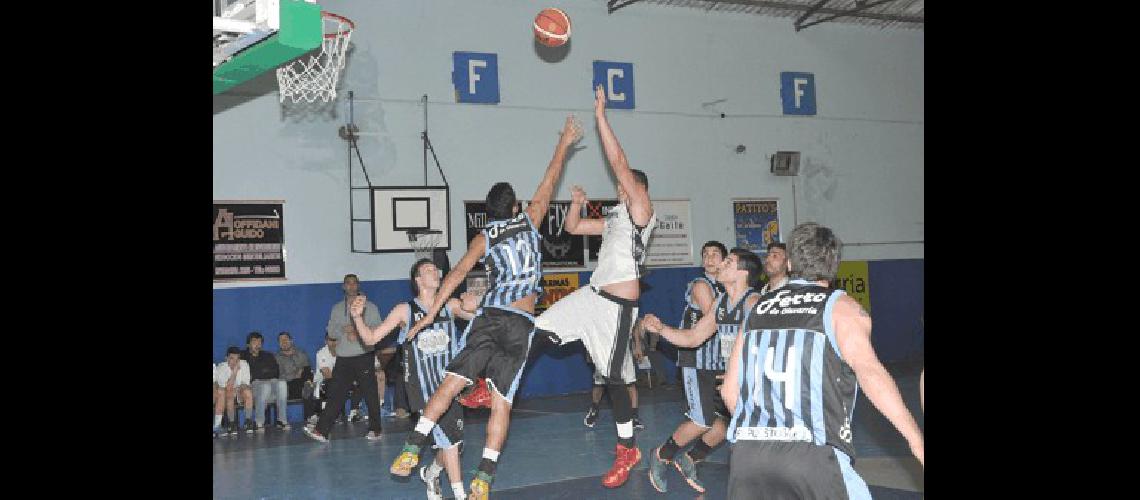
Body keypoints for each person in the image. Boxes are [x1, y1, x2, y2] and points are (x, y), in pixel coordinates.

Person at [387, 115, 582, 500]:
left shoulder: (486, 236)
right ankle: (484, 476)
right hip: (523, 323)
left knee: (452, 382)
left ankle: (413, 445)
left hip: (491, 318)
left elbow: (457, 273)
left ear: (489, 212)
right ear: (516, 206)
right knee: (502, 401)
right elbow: (551, 176)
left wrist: (429, 313)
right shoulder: (531, 219)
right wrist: (565, 142)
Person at [721, 223, 924, 498]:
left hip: (747, 458)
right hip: (810, 455)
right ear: (834, 265)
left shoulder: (757, 309)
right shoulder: (841, 307)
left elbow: (730, 391)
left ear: (790, 262)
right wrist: (915, 440)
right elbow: (870, 373)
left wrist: (765, 434)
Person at [533, 85, 655, 489]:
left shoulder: (641, 212)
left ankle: (626, 449)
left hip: (616, 308)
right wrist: (576, 203)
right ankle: (494, 383)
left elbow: (620, 164)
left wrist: (601, 116)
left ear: (637, 191)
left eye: (625, 187)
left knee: (614, 378)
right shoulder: (616, 218)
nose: (620, 189)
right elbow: (572, 228)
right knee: (539, 330)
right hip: (591, 296)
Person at [349, 259, 479, 499]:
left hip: (451, 385)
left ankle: (431, 472)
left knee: (454, 446)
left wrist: (476, 303)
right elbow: (370, 339)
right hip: (423, 387)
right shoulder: (405, 310)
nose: (436, 272)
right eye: (429, 270)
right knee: (449, 443)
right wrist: (357, 318)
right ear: (418, 280)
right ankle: (461, 494)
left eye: (436, 269)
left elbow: (481, 318)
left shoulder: (449, 305)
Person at [641, 248, 763, 493]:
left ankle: (689, 458)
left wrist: (742, 375)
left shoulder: (752, 302)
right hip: (726, 377)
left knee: (742, 436)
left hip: (752, 383)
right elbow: (694, 337)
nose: (720, 265)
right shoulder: (721, 302)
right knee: (724, 428)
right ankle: (672, 456)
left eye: (727, 261)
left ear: (742, 272)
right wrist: (661, 329)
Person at [309, 274, 385, 440]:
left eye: (354, 283)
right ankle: (322, 431)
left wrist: (358, 331)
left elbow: (378, 329)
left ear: (358, 285)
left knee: (370, 393)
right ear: (343, 287)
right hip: (343, 357)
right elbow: (331, 331)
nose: (351, 286)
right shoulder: (337, 308)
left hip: (363, 354)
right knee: (335, 394)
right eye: (348, 284)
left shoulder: (370, 307)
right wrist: (344, 330)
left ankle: (376, 429)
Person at [242, 332, 288, 431]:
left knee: (282, 383)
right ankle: (259, 422)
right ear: (248, 344)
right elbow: (251, 376)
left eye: (260, 342)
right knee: (265, 385)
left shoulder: (268, 355)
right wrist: (264, 372)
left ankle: (281, 420)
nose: (258, 344)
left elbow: (275, 372)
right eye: (254, 342)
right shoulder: (243, 356)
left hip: (270, 384)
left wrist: (261, 373)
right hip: (252, 387)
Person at [214, 346, 254, 436]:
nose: (235, 362)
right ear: (226, 358)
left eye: (237, 359)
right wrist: (235, 372)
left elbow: (245, 384)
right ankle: (231, 423)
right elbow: (226, 387)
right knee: (229, 393)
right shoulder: (221, 367)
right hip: (226, 393)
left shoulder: (244, 364)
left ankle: (248, 421)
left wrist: (239, 389)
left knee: (248, 392)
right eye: (232, 358)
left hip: (240, 390)